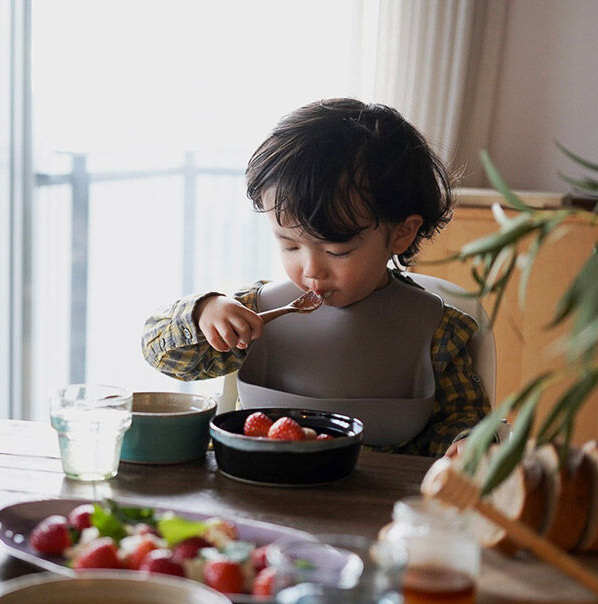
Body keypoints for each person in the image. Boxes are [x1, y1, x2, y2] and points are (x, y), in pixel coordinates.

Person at [141, 98, 489, 455]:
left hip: (379, 505)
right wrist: (203, 313)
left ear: (402, 233)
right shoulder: (257, 314)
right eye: (290, 246)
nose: (311, 271)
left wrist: (466, 445)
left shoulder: (440, 331)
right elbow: (162, 355)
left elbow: (463, 419)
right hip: (261, 494)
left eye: (337, 251)